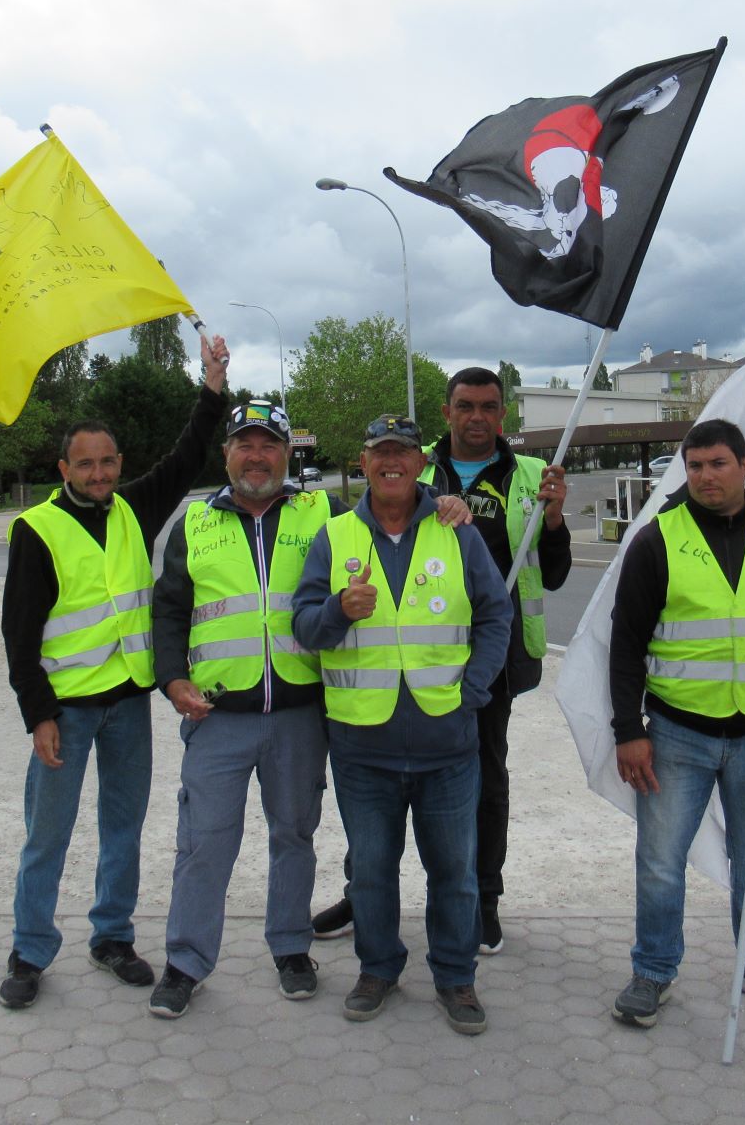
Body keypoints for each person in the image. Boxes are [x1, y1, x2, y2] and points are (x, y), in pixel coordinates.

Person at [0, 333, 229, 1009]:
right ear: (63, 467)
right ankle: (29, 951)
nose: (98, 474)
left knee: (122, 830)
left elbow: (188, 455)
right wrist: (38, 715)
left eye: (107, 462)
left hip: (127, 704)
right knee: (48, 836)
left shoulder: (134, 508)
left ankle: (113, 938)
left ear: (119, 463)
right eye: (85, 464)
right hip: (65, 711)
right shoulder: (36, 531)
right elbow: (18, 635)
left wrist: (212, 387)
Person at [313, 367, 571, 955]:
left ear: (503, 414)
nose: (477, 417)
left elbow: (553, 574)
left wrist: (554, 519)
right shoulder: (417, 467)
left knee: (486, 781)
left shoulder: (531, 475)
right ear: (447, 412)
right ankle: (363, 895)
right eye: (465, 405)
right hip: (403, 661)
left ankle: (483, 901)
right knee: (375, 789)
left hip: (491, 659)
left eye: (488, 406)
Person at [607, 417, 745, 1029]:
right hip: (677, 732)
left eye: (718, 464)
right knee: (660, 861)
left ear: (744, 465)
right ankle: (653, 971)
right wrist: (628, 730)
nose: (706, 476)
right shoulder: (657, 539)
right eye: (695, 466)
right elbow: (626, 645)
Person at [292, 414, 511, 1036]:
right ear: (363, 462)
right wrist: (338, 609)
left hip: (448, 744)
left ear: (420, 463)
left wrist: (473, 691)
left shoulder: (456, 531)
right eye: (380, 452)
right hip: (362, 748)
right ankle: (378, 969)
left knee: (455, 875)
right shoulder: (333, 538)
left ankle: (455, 976)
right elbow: (304, 627)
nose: (391, 462)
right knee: (371, 872)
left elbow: (495, 616)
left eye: (403, 453)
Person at [143, 400, 336, 1019]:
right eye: (245, 445)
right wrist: (171, 679)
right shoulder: (194, 523)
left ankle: (292, 948)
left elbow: (396, 510)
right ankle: (185, 963)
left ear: (288, 453)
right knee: (204, 843)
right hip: (216, 716)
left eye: (269, 444)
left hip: (299, 713)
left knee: (294, 836)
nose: (257, 457)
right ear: (226, 454)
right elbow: (169, 610)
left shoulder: (324, 514)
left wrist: (442, 504)